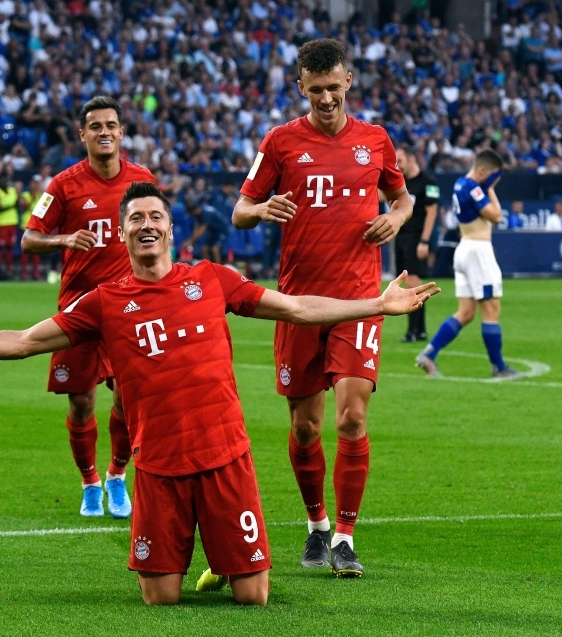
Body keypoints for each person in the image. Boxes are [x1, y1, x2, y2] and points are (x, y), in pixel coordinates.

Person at [0, 182, 439, 606]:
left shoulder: (212, 279)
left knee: (254, 598)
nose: (146, 224)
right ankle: (215, 553)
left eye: (155, 217)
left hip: (226, 458)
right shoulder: (103, 302)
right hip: (159, 467)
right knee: (162, 598)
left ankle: (227, 560)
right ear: (122, 232)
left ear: (171, 230)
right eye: (135, 219)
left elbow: (297, 307)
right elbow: (25, 341)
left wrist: (377, 305)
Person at [231, 39, 414, 578]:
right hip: (296, 303)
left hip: (359, 301)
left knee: (352, 417)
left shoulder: (375, 141)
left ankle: (345, 537)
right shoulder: (281, 141)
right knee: (306, 428)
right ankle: (315, 525)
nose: (327, 99)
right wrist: (263, 208)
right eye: (316, 91)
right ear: (300, 88)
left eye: (334, 88)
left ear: (349, 81)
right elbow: (240, 210)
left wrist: (396, 219)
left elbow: (402, 198)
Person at [20, 96, 154, 519]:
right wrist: (64, 239)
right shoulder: (63, 184)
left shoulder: (141, 180)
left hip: (127, 308)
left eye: (110, 125)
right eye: (95, 126)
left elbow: (158, 229)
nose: (104, 132)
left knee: (129, 401)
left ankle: (117, 475)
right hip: (78, 310)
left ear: (120, 131)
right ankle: (90, 482)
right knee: (80, 402)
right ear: (83, 135)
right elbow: (29, 238)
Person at [417, 149, 522, 378]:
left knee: (465, 313)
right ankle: (499, 367)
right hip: (477, 251)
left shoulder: (460, 183)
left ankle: (428, 355)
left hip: (465, 248)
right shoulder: (474, 188)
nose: (493, 181)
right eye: (492, 176)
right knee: (491, 309)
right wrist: (491, 190)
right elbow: (496, 216)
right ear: (482, 170)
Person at [395, 145, 440, 342]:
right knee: (408, 285)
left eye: (400, 161)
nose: (398, 165)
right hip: (401, 237)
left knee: (413, 284)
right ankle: (420, 330)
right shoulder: (400, 182)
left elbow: (432, 213)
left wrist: (424, 241)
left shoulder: (428, 182)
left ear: (412, 159)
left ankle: (412, 330)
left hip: (416, 237)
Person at [0, 178, 20, 277]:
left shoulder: (12, 191)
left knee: (10, 248)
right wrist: (11, 205)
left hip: (12, 222)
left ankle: (8, 270)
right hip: (2, 223)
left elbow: (17, 204)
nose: (4, 182)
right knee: (0, 248)